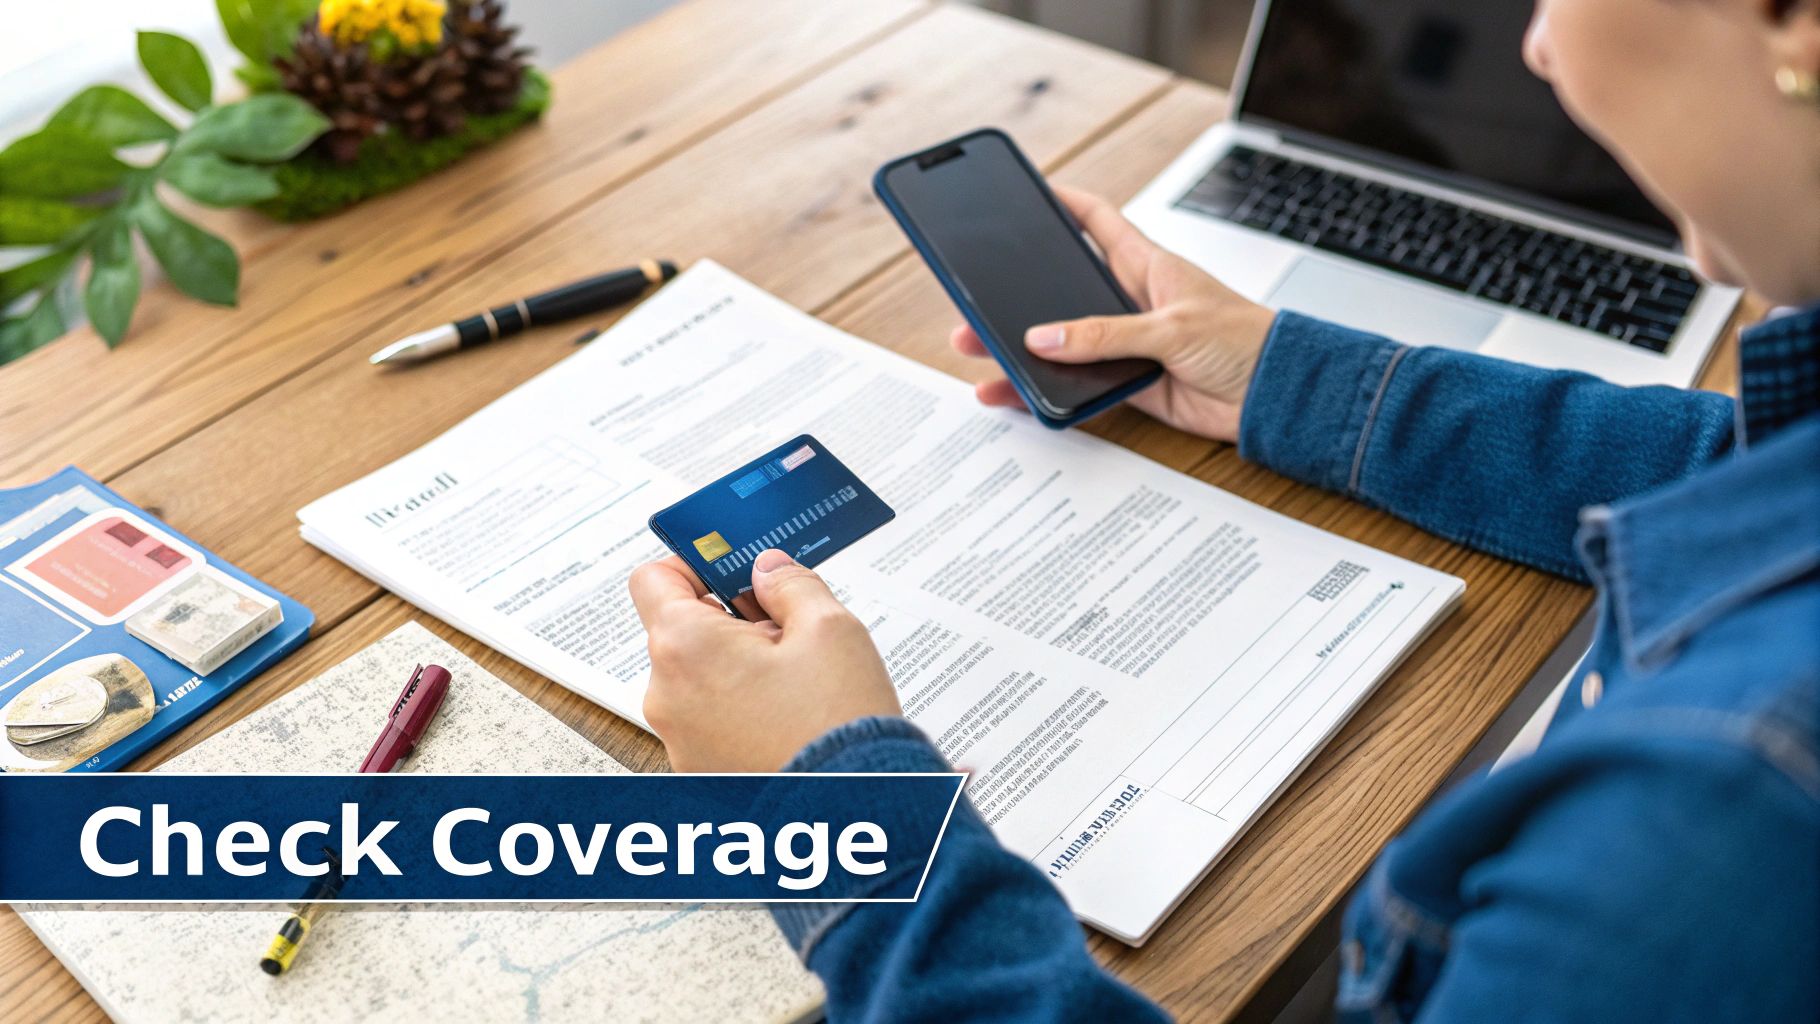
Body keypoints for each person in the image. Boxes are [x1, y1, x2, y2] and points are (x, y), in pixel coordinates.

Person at [627, 0, 1820, 1018]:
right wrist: (1287, 377)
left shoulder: (1726, 815)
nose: (1538, 48)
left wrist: (839, 810)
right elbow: (1738, 458)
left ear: (1792, 24)